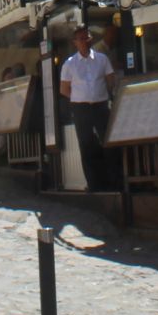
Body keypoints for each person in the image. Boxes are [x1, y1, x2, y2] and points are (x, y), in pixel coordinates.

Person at [58, 26, 117, 192]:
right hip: (81, 108)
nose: (85, 41)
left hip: (100, 105)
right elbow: (64, 89)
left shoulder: (102, 59)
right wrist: (79, 97)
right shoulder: (69, 64)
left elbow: (110, 80)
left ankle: (112, 180)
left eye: (87, 38)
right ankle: (94, 183)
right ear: (75, 42)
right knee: (86, 144)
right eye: (81, 39)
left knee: (107, 142)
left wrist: (105, 94)